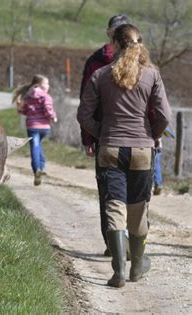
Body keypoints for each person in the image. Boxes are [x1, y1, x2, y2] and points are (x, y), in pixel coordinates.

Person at [77, 24, 171, 288]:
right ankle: (137, 267)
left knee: (114, 207)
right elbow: (164, 115)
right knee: (138, 210)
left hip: (109, 149)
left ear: (116, 45)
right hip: (142, 150)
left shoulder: (101, 75)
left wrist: (102, 131)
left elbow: (83, 115)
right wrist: (150, 135)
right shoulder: (152, 75)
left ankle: (118, 271)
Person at [79, 14, 130, 257]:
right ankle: (115, 243)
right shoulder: (94, 63)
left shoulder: (141, 64)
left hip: (129, 138)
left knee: (129, 193)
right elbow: (85, 104)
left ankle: (126, 244)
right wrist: (89, 137)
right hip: (106, 137)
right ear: (109, 32)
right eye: (116, 30)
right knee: (110, 192)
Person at [13, 74, 57, 186]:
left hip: (32, 126)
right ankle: (40, 168)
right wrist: (53, 117)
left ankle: (37, 169)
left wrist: (19, 108)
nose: (48, 86)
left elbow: (24, 111)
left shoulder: (28, 97)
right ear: (40, 85)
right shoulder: (46, 97)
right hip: (44, 127)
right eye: (46, 83)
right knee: (38, 146)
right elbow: (48, 110)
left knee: (35, 146)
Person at [153, 127, 175, 195]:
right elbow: (170, 134)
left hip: (145, 145)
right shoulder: (157, 118)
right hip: (157, 146)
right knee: (156, 166)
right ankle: (158, 184)